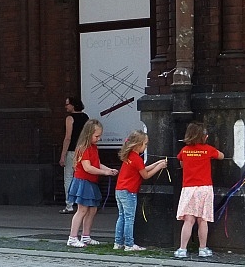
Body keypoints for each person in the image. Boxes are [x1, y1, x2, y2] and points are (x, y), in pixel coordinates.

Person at [174, 122, 225, 258]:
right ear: (204, 136)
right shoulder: (208, 150)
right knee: (203, 220)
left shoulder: (184, 150)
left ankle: (182, 249)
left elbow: (181, 163)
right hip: (204, 188)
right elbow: (221, 155)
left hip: (189, 188)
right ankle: (202, 249)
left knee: (188, 220)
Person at [66, 119, 117, 247]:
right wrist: (104, 172)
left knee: (92, 209)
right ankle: (72, 237)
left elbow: (96, 164)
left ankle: (86, 236)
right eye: (97, 136)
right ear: (89, 134)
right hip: (83, 181)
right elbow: (87, 167)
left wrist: (108, 170)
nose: (98, 138)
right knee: (82, 210)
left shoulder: (93, 147)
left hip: (90, 181)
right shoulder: (84, 148)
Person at [114, 131, 168, 251]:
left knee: (122, 216)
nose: (146, 147)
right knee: (129, 218)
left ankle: (118, 242)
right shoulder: (137, 158)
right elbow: (145, 175)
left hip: (120, 190)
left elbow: (141, 169)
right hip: (129, 192)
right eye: (145, 144)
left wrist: (157, 163)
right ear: (138, 144)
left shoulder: (129, 156)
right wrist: (159, 167)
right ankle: (129, 244)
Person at [59, 97, 89, 214]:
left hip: (72, 151)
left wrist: (63, 155)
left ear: (73, 105)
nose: (66, 106)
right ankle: (84, 203)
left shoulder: (70, 118)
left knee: (68, 177)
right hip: (84, 151)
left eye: (67, 104)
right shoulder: (86, 118)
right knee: (83, 177)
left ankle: (69, 204)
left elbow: (68, 138)